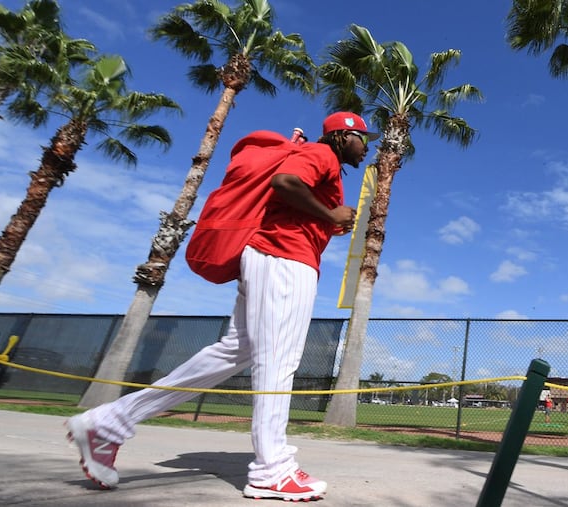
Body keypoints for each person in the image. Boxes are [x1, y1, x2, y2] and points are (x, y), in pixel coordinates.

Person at [65, 111, 379, 500]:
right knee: (278, 360)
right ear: (344, 136)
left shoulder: (319, 157)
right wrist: (331, 213)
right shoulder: (322, 153)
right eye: (364, 138)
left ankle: (108, 422)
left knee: (236, 351)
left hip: (272, 259)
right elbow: (285, 183)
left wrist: (328, 219)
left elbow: (292, 194)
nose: (367, 147)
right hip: (283, 259)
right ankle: (271, 470)